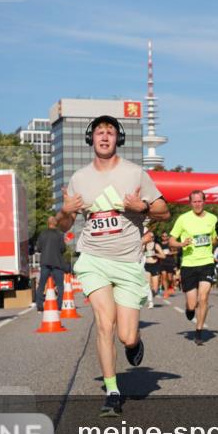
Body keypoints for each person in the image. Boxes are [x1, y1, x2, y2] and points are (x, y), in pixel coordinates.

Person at [56, 115, 169, 417]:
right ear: (90, 139)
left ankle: (134, 344)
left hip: (128, 261)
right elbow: (65, 223)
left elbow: (163, 211)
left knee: (126, 336)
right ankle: (112, 390)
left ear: (117, 138)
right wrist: (65, 212)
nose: (104, 137)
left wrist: (141, 207)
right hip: (93, 259)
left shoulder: (135, 173)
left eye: (109, 133)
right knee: (105, 324)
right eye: (98, 133)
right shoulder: (79, 178)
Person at [170, 190, 218, 346]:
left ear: (205, 202)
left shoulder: (213, 218)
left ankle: (199, 331)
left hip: (207, 262)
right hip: (189, 265)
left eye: (200, 201)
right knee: (192, 304)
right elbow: (171, 241)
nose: (197, 204)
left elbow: (215, 239)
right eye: (194, 201)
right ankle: (189, 310)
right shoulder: (183, 219)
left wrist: (215, 241)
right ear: (190, 203)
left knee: (203, 298)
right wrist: (181, 244)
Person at [34, 216, 68, 309]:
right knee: (60, 286)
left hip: (45, 262)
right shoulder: (59, 234)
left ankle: (39, 305)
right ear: (55, 223)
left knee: (41, 284)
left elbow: (39, 248)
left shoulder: (42, 234)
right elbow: (63, 248)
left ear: (48, 223)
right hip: (57, 263)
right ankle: (59, 305)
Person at [141, 230, 161, 309]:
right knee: (148, 285)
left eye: (153, 237)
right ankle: (151, 302)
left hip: (155, 265)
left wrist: (155, 254)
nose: (151, 238)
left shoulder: (156, 245)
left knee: (155, 289)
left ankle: (152, 295)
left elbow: (163, 255)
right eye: (150, 236)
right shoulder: (144, 245)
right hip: (147, 266)